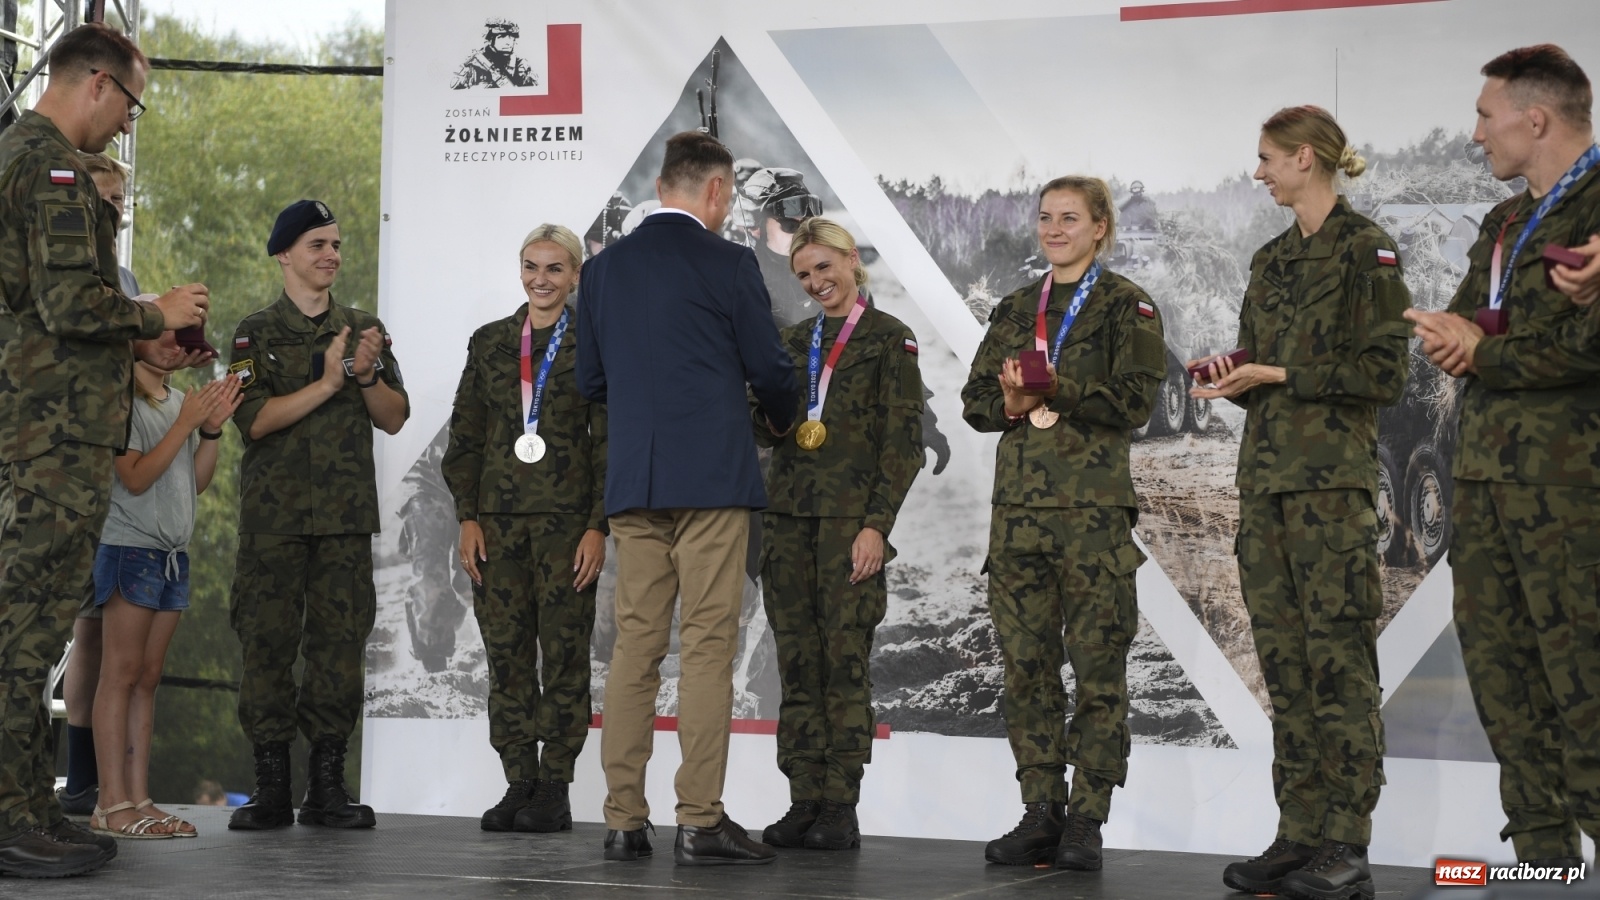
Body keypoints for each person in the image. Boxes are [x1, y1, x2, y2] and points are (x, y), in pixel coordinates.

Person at [0, 23, 209, 879]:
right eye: (130, 102)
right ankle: (11, 815)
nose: (127, 123)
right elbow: (68, 305)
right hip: (50, 433)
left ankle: (27, 799)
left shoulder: (36, 157)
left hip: (61, 429)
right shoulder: (46, 165)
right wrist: (153, 311)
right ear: (95, 82)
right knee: (25, 630)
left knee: (41, 625)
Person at [1191, 107, 1410, 900]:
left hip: (1332, 492)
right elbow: (1265, 368)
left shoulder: (1366, 250)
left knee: (1339, 667)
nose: (1258, 173)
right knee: (1285, 669)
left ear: (1305, 158)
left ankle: (1346, 843)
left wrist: (1281, 376)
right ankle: (1298, 834)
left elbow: (1384, 371)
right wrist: (1236, 373)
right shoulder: (1269, 259)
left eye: (1266, 159)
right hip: (1269, 489)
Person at [1404, 44, 1600, 872]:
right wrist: (1458, 339)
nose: (1476, 132)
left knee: (1583, 683)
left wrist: (1483, 355)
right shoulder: (1506, 221)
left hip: (1570, 489)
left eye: (1486, 116)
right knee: (1502, 676)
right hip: (1484, 482)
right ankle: (1548, 865)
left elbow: (1585, 348)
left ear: (1536, 118)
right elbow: (1467, 320)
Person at [576, 130, 797, 866]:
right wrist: (783, 413)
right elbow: (769, 368)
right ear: (711, 192)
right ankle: (700, 821)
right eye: (728, 196)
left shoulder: (602, 271)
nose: (727, 206)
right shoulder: (730, 263)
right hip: (710, 482)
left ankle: (621, 821)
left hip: (636, 484)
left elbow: (590, 384)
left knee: (635, 649)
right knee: (706, 648)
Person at [960, 176, 1165, 872]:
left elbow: (1135, 400)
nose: (1054, 228)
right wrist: (1013, 402)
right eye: (1045, 217)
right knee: (1027, 671)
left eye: (1069, 218)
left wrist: (1058, 389)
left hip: (1092, 522)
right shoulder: (1018, 308)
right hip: (1017, 523)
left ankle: (1087, 817)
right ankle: (1040, 809)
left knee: (1099, 676)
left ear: (1100, 227)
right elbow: (975, 402)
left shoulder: (1125, 306)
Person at [224, 199, 408, 831]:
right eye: (316, 245)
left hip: (343, 521)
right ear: (284, 254)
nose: (330, 255)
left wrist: (361, 375)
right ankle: (270, 785)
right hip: (273, 523)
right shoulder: (254, 332)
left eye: (335, 244)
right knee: (267, 647)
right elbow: (254, 421)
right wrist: (327, 384)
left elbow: (393, 416)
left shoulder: (363, 327)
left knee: (338, 650)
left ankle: (327, 785)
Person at [755, 219, 923, 851]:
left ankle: (840, 805)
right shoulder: (792, 341)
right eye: (804, 274)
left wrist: (876, 525)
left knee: (843, 664)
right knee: (797, 664)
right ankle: (803, 797)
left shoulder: (889, 340)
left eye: (825, 267)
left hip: (850, 528)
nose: (816, 282)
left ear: (852, 261)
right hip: (789, 525)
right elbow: (765, 427)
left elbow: (901, 445)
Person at [442, 224, 607, 834]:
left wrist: (598, 526)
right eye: (532, 267)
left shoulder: (592, 344)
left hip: (567, 529)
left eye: (555, 268)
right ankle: (518, 780)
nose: (542, 279)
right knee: (507, 657)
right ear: (520, 272)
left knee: (564, 658)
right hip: (497, 530)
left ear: (574, 276)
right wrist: (467, 516)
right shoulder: (490, 343)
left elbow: (606, 444)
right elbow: (464, 439)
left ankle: (555, 787)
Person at [89, 340, 240, 840]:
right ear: (135, 342)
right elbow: (131, 478)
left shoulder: (179, 403)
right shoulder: (122, 401)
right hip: (129, 548)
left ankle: (139, 797)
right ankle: (111, 803)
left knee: (148, 679)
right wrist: (185, 425)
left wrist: (211, 428)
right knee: (121, 674)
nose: (178, 346)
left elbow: (193, 482)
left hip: (173, 554)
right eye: (166, 335)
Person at [56, 151, 143, 820]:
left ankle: (106, 784)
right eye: (102, 200)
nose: (111, 212)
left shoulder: (125, 276)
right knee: (75, 633)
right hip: (54, 462)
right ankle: (74, 774)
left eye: (119, 204)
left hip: (112, 472)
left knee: (106, 638)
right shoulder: (55, 264)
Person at [451, 18, 537, 89]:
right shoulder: (472, 64)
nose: (509, 42)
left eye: (511, 37)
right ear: (490, 40)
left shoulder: (521, 65)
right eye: (502, 37)